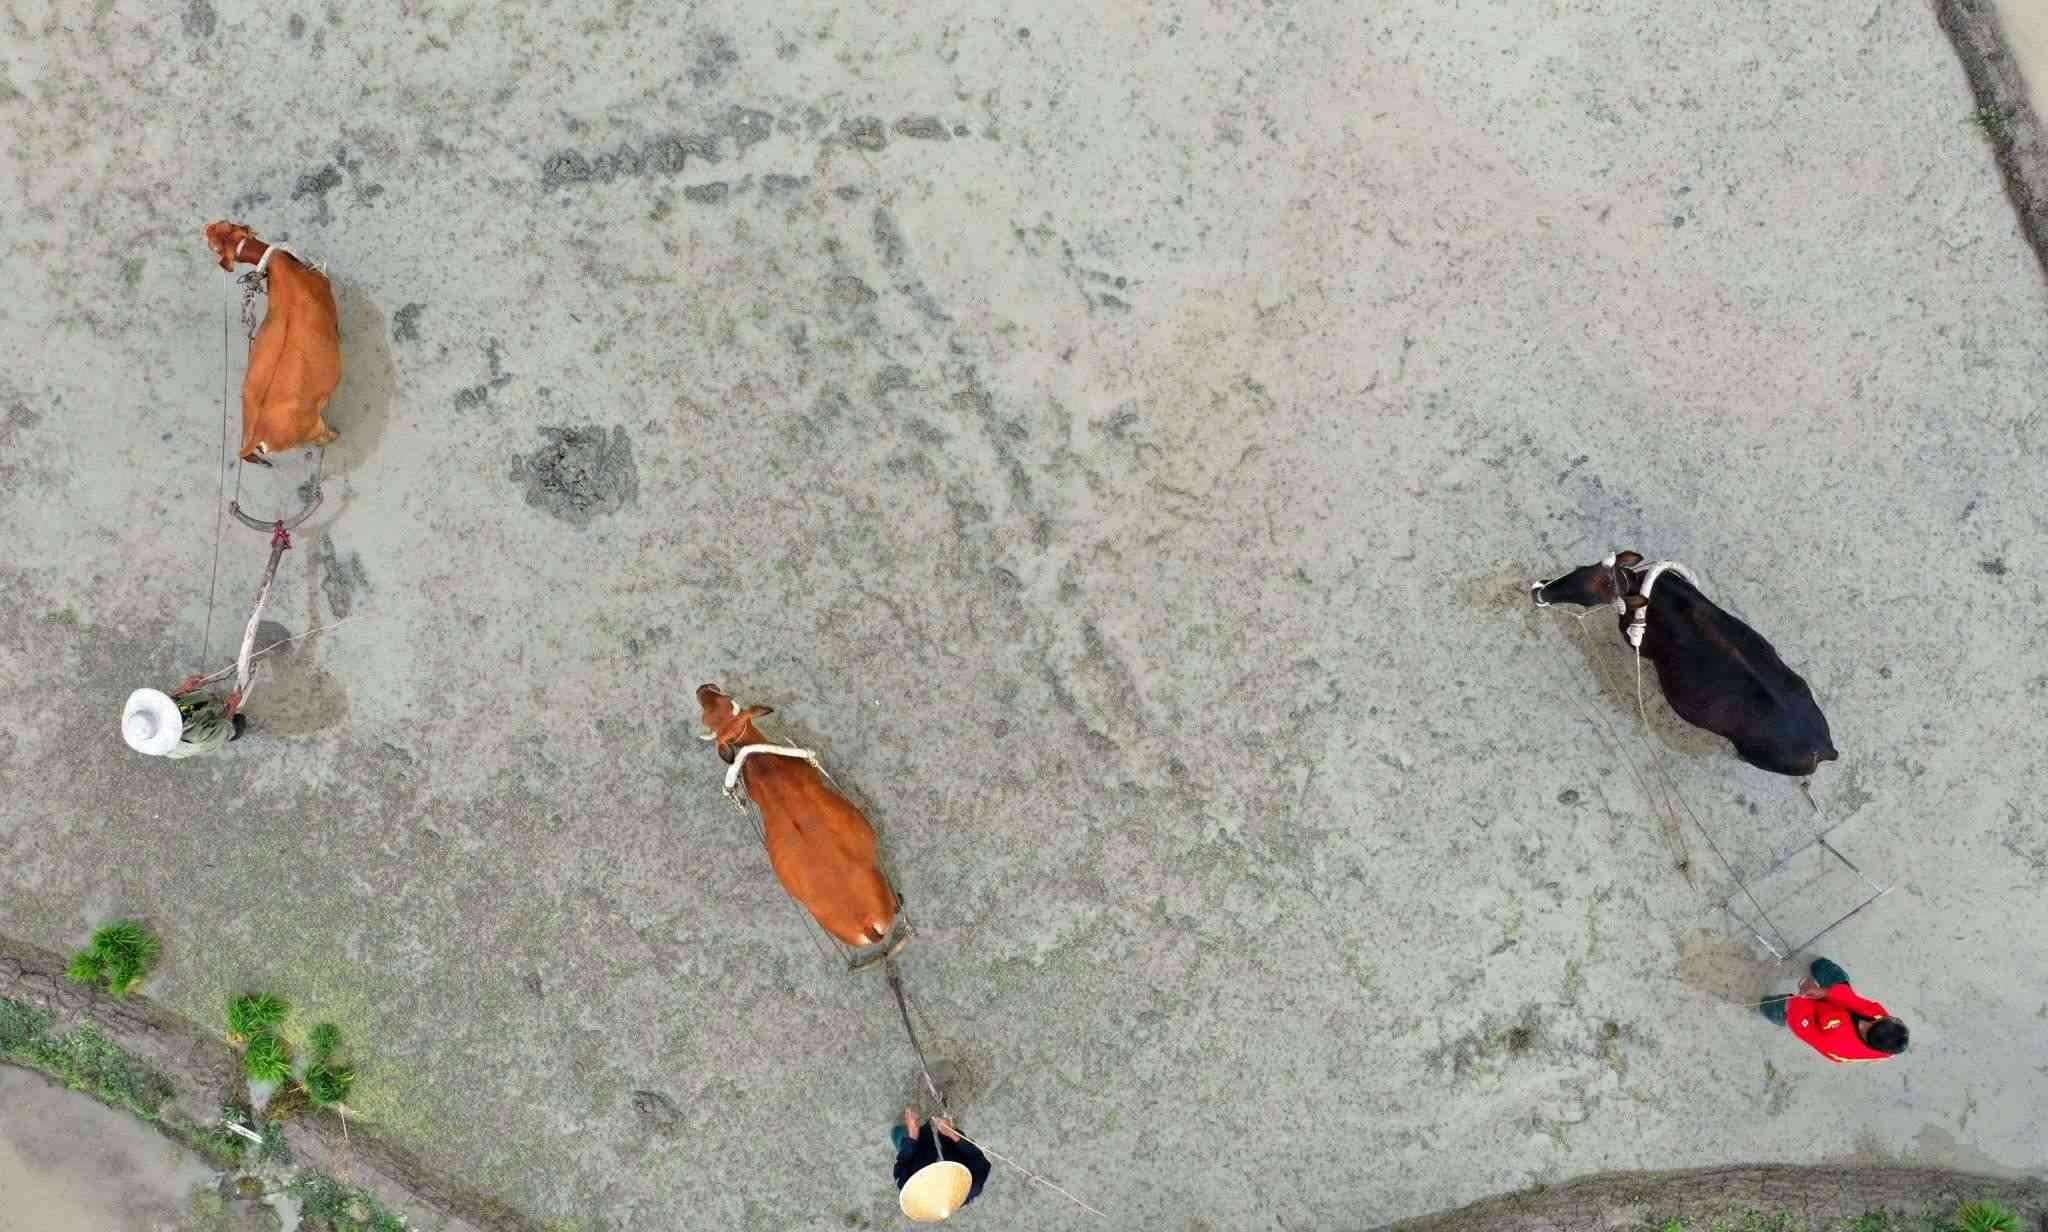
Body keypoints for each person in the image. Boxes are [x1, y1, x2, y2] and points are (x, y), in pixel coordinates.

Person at [1760, 956, 1908, 1063]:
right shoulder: (1887, 1030)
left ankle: (1778, 1013)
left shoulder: (1836, 1043)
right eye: (1892, 1019)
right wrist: (1826, 992)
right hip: (1836, 1010)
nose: (1891, 1017)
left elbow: (1806, 1028)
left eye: (1866, 1027)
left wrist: (1803, 997)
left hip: (1812, 1022)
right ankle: (1834, 980)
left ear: (1867, 1033)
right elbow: (1857, 1002)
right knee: (1829, 974)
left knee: (1778, 1007)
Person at [891, 1106, 991, 1222]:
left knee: (897, 1133)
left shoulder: (912, 1192)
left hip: (919, 1147)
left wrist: (912, 1136)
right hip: (949, 1141)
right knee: (948, 1128)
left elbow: (901, 1165)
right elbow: (976, 1156)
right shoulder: (972, 1185)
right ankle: (947, 1125)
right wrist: (952, 1134)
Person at [121, 685, 246, 760]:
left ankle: (213, 705)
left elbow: (167, 703)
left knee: (201, 700)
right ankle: (233, 731)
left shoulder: (153, 716)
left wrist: (184, 689)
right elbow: (223, 727)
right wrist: (232, 707)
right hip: (210, 734)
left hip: (187, 723)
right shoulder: (195, 739)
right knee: (235, 723)